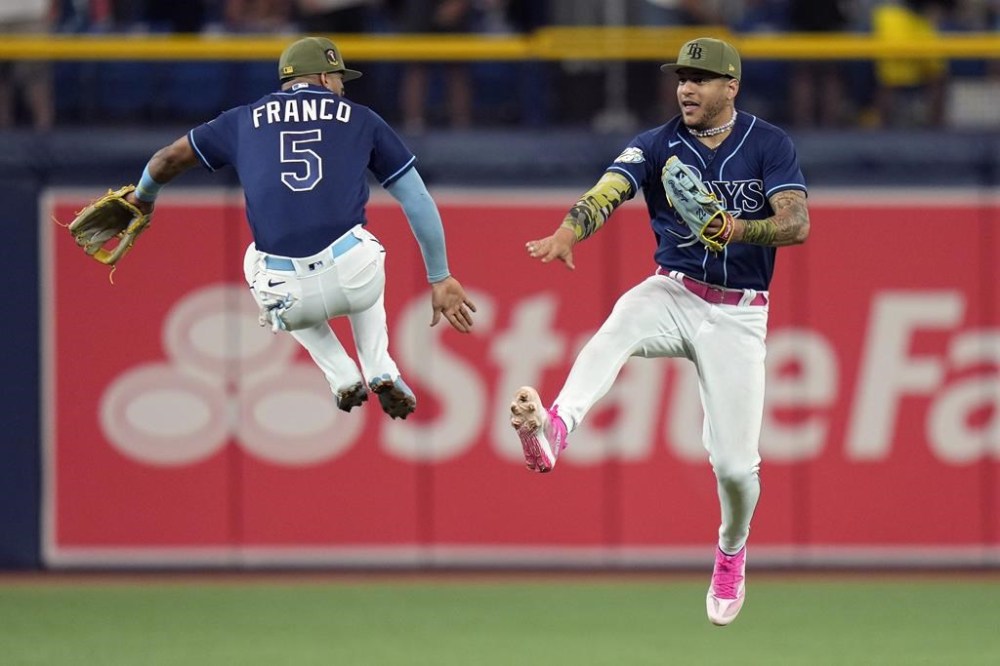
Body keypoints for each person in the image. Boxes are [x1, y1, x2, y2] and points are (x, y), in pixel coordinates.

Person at [509, 37, 809, 626]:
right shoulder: (656, 145)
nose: (687, 88)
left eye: (700, 78)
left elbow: (796, 224)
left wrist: (735, 228)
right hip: (673, 289)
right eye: (681, 78)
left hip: (740, 312)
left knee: (734, 469)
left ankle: (730, 551)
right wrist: (571, 230)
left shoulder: (769, 144)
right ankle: (556, 428)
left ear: (731, 87)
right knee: (618, 324)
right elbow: (608, 191)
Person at [121, 36, 477, 419]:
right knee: (365, 242)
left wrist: (143, 196)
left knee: (253, 258)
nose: (343, 87)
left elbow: (168, 157)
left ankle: (340, 373)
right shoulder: (361, 118)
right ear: (325, 77)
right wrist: (440, 277)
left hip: (286, 295)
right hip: (354, 277)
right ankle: (379, 366)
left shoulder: (241, 120)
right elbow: (417, 200)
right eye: (341, 79)